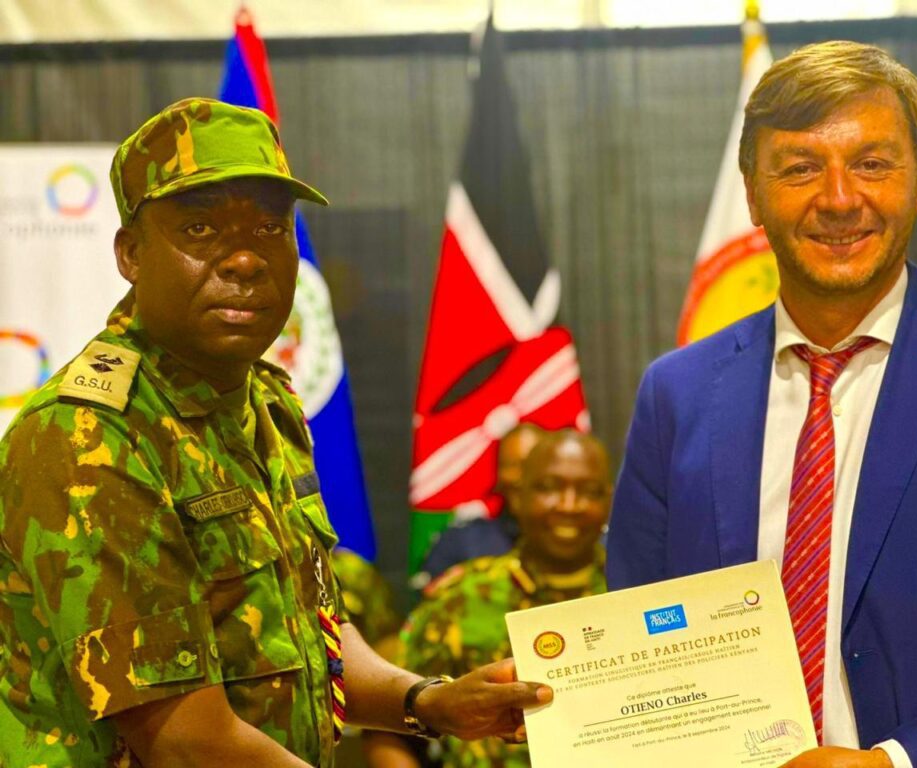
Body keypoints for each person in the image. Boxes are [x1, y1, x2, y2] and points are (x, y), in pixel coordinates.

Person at [0, 98, 550, 768]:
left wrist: (427, 703)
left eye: (268, 228)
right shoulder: (88, 436)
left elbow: (309, 629)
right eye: (200, 229)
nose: (245, 260)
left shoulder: (266, 400)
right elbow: (183, 740)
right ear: (131, 254)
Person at [607, 41, 917, 768]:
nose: (838, 197)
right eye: (800, 168)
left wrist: (894, 763)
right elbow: (644, 646)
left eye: (872, 163)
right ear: (753, 195)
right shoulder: (674, 393)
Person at [396, 429, 612, 767]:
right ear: (518, 497)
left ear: (609, 501)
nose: (570, 505)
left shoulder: (634, 589)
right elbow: (394, 719)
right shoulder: (461, 597)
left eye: (589, 491)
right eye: (549, 488)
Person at [415, 423, 544, 588]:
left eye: (531, 466)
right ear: (497, 472)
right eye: (511, 465)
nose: (520, 477)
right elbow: (426, 606)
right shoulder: (462, 541)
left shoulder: (578, 543)